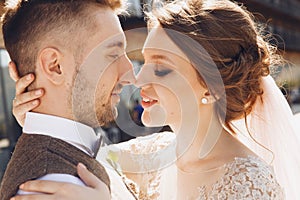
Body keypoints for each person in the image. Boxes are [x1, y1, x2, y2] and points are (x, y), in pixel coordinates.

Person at [7, 0, 300, 199]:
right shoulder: (148, 156)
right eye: (143, 61)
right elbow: (78, 149)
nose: (137, 78)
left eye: (161, 68)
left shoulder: (250, 185)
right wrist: (40, 116)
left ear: (211, 88)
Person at [0, 0, 137, 200]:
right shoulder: (54, 187)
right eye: (113, 55)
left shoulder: (76, 153)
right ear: (55, 66)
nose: (130, 75)